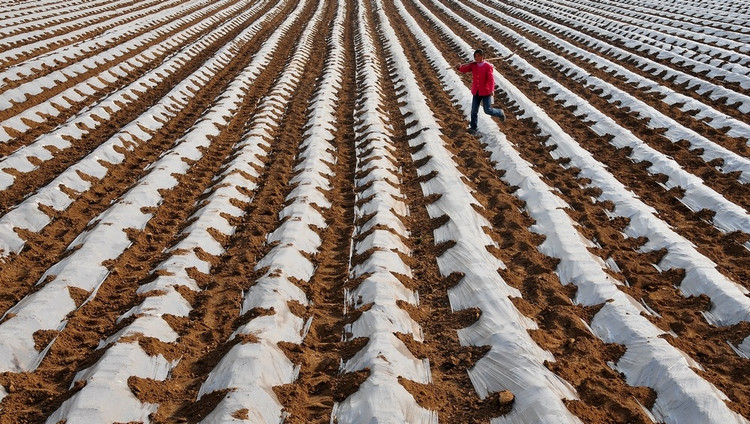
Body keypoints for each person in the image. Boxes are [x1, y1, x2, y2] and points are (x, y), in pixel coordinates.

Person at [455, 49, 505, 135]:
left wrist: (492, 89)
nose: (477, 58)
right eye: (476, 56)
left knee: (487, 110)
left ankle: (500, 112)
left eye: (479, 56)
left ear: (483, 57)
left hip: (486, 91)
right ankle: (473, 128)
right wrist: (459, 67)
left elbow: (491, 79)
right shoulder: (473, 65)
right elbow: (464, 69)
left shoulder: (488, 66)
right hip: (476, 91)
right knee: (474, 110)